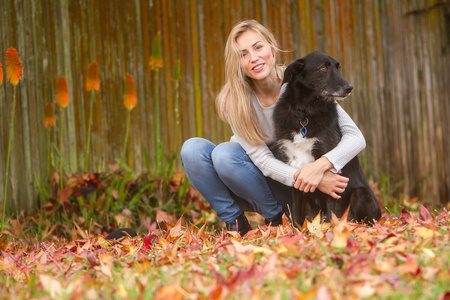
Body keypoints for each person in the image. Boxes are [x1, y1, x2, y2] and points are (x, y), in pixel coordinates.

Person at [180, 20, 365, 236]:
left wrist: (320, 169)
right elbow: (262, 161)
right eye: (243, 54)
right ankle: (235, 223)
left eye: (258, 47)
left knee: (224, 154)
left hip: (296, 191)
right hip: (251, 180)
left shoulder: (302, 82)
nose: (254, 58)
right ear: (237, 63)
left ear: (272, 46)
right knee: (194, 149)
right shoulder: (235, 100)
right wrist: (312, 179)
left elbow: (355, 137)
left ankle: (278, 219)